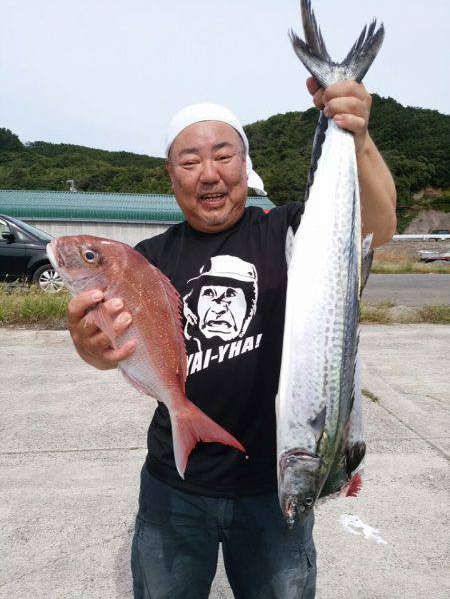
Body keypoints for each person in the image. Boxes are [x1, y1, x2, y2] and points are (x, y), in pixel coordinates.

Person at [67, 77, 396, 598]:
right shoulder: (145, 261)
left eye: (223, 155)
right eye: (190, 161)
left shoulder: (287, 231)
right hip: (173, 486)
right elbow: (114, 351)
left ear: (245, 163)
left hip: (276, 483)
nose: (209, 174)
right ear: (171, 175)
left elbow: (374, 226)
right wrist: (90, 346)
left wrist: (357, 136)